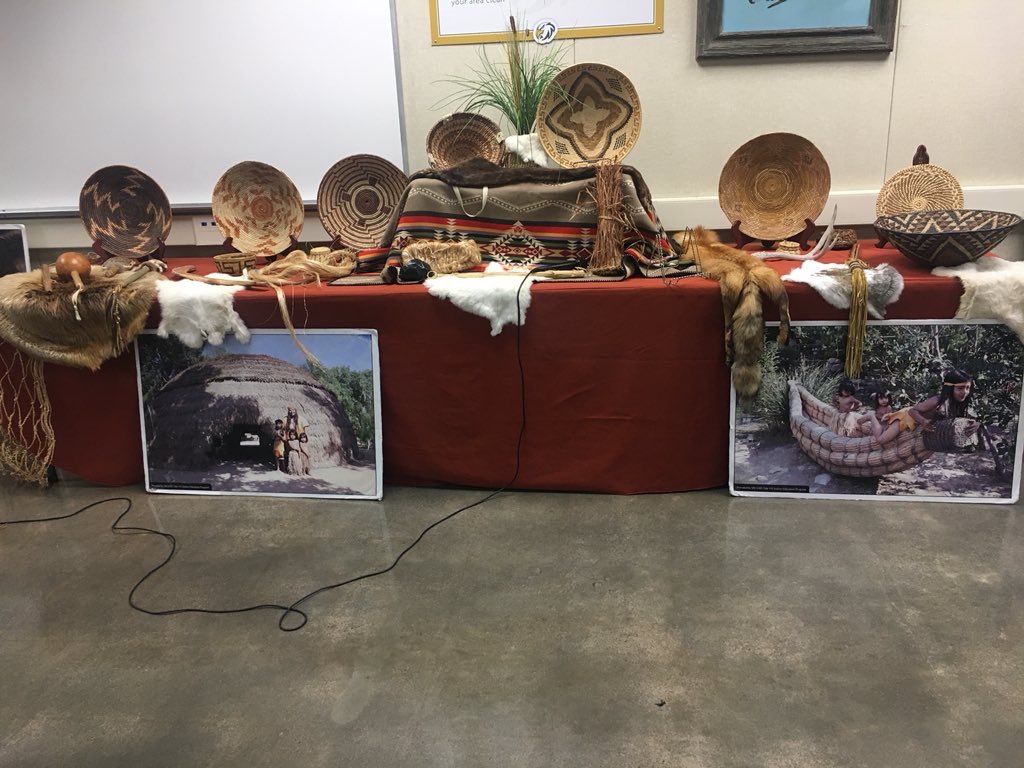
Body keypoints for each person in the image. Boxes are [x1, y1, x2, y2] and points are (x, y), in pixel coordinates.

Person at [865, 368, 978, 445]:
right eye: (960, 388)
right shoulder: (936, 401)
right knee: (881, 440)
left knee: (885, 430)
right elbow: (912, 411)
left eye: (967, 388)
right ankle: (871, 416)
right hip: (906, 418)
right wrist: (923, 421)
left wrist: (976, 424)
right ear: (950, 388)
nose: (965, 392)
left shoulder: (957, 404)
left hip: (915, 422)